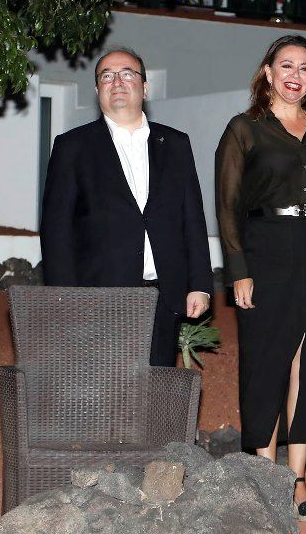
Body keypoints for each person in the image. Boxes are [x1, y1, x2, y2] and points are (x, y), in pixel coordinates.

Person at [214, 35, 306, 523]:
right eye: (286, 66)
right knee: (266, 360)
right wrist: (238, 272)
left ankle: (296, 480)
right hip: (265, 247)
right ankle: (264, 475)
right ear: (268, 73)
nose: (295, 75)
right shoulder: (244, 130)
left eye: (305, 68)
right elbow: (228, 206)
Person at [41, 48, 212, 367]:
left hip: (164, 295)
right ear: (97, 90)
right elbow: (56, 231)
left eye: (127, 73)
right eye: (107, 75)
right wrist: (65, 300)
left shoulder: (175, 144)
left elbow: (193, 219)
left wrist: (200, 284)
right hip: (97, 297)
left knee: (154, 391)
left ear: (145, 87)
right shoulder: (72, 147)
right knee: (103, 395)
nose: (117, 81)